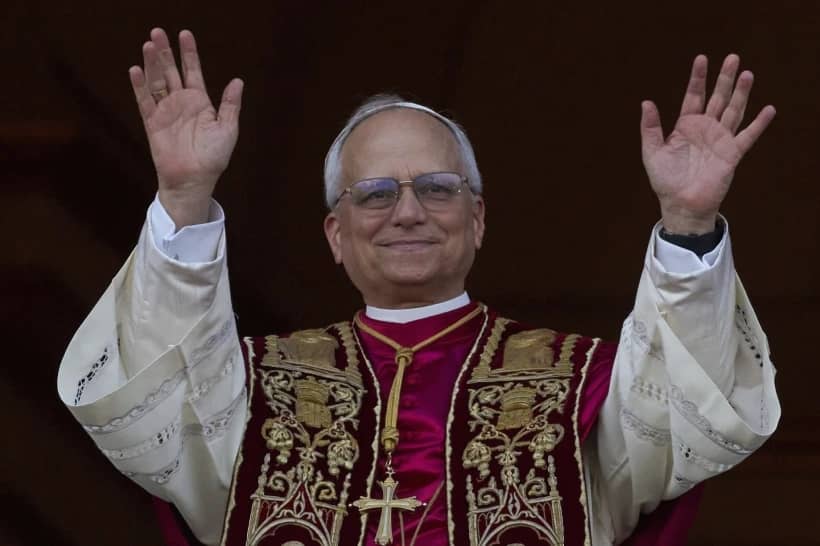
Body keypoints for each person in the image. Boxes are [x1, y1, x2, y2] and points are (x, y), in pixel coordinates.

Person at [57, 27, 780, 546]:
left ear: (479, 217)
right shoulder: (252, 385)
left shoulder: (583, 384)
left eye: (436, 187)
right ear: (335, 235)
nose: (407, 210)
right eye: (374, 194)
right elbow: (157, 425)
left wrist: (689, 221)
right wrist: (183, 203)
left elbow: (687, 421)